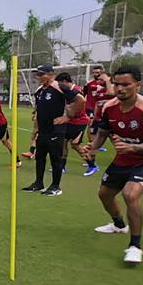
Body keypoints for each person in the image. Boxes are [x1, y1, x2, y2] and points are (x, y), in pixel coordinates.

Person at [81, 65, 143, 264]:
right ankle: (119, 225)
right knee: (104, 194)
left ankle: (135, 246)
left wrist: (133, 148)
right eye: (116, 84)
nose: (120, 88)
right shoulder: (108, 107)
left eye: (126, 84)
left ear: (138, 84)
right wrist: (92, 147)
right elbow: (103, 132)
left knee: (130, 193)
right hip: (124, 159)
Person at [22, 65, 84, 196]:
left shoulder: (59, 87)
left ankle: (56, 186)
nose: (38, 77)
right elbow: (39, 110)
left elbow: (80, 99)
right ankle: (39, 183)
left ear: (51, 74)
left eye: (41, 74)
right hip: (43, 130)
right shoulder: (40, 90)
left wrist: (67, 117)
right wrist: (35, 128)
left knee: (56, 158)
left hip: (56, 130)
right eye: (37, 74)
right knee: (40, 157)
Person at [54, 73, 99, 176]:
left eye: (60, 83)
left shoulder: (76, 90)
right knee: (64, 143)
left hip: (79, 121)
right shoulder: (67, 91)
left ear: (65, 81)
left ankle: (92, 165)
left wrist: (69, 110)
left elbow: (81, 102)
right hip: (71, 121)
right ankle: (62, 167)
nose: (59, 85)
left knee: (74, 144)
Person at [83, 65, 114, 149]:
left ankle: (96, 144)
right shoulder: (90, 84)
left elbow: (110, 93)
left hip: (103, 111)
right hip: (91, 108)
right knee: (91, 126)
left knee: (106, 130)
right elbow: (84, 94)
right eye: (94, 73)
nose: (95, 74)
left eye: (97, 73)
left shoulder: (109, 86)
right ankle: (92, 143)